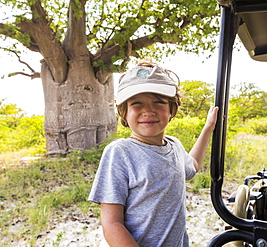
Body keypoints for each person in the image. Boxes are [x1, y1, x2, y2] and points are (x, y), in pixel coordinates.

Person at [88, 62, 219, 246]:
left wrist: (208, 128)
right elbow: (112, 223)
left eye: (158, 101)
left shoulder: (174, 145)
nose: (148, 110)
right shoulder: (119, 153)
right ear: (124, 112)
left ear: (171, 109)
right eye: (136, 103)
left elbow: (194, 166)